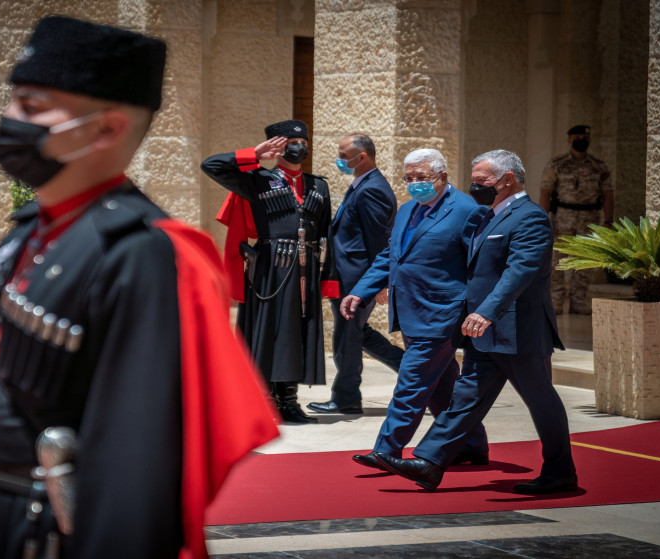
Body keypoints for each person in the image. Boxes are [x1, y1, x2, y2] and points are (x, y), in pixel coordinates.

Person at [0, 16, 279, 559]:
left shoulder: (143, 254)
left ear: (106, 129)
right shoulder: (35, 228)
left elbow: (139, 464)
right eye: (13, 104)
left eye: (32, 108)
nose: (10, 121)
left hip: (60, 533)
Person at [376, 150, 578, 495]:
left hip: (517, 330)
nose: (475, 187)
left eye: (482, 181)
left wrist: (486, 311)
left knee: (541, 401)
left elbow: (520, 272)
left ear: (507, 180)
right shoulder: (488, 215)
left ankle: (561, 473)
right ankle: (429, 462)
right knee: (465, 398)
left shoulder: (530, 217)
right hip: (484, 333)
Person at [342, 149, 489, 471]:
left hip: (443, 313)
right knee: (442, 384)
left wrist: (477, 309)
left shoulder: (467, 210)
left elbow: (481, 266)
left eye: (421, 178)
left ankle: (386, 449)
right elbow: (389, 256)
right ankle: (473, 444)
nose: (414, 184)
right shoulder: (407, 210)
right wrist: (361, 291)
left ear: (443, 177)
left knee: (411, 383)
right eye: (409, 178)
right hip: (409, 311)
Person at [202, 121, 336, 424]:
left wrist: (328, 278)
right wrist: (254, 154)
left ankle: (289, 400)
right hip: (272, 266)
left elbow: (328, 232)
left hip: (307, 266)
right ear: (278, 145)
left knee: (299, 331)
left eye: (304, 140)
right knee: (271, 330)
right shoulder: (257, 179)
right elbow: (211, 166)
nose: (300, 145)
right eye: (292, 140)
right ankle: (265, 400)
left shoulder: (319, 186)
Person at [308, 134, 397, 415]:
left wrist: (378, 283)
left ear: (362, 157)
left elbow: (379, 241)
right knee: (360, 334)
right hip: (350, 277)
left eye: (344, 155)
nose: (340, 159)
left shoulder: (372, 189)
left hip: (357, 280)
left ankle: (345, 397)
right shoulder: (362, 186)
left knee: (347, 336)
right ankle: (422, 372)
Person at [540, 125, 613, 314]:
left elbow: (607, 195)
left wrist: (608, 221)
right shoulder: (557, 164)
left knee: (584, 261)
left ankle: (578, 301)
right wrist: (542, 219)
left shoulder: (599, 165)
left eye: (584, 136)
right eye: (577, 136)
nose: (581, 139)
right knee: (557, 261)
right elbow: (545, 193)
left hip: (589, 218)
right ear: (569, 139)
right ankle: (555, 300)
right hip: (562, 217)